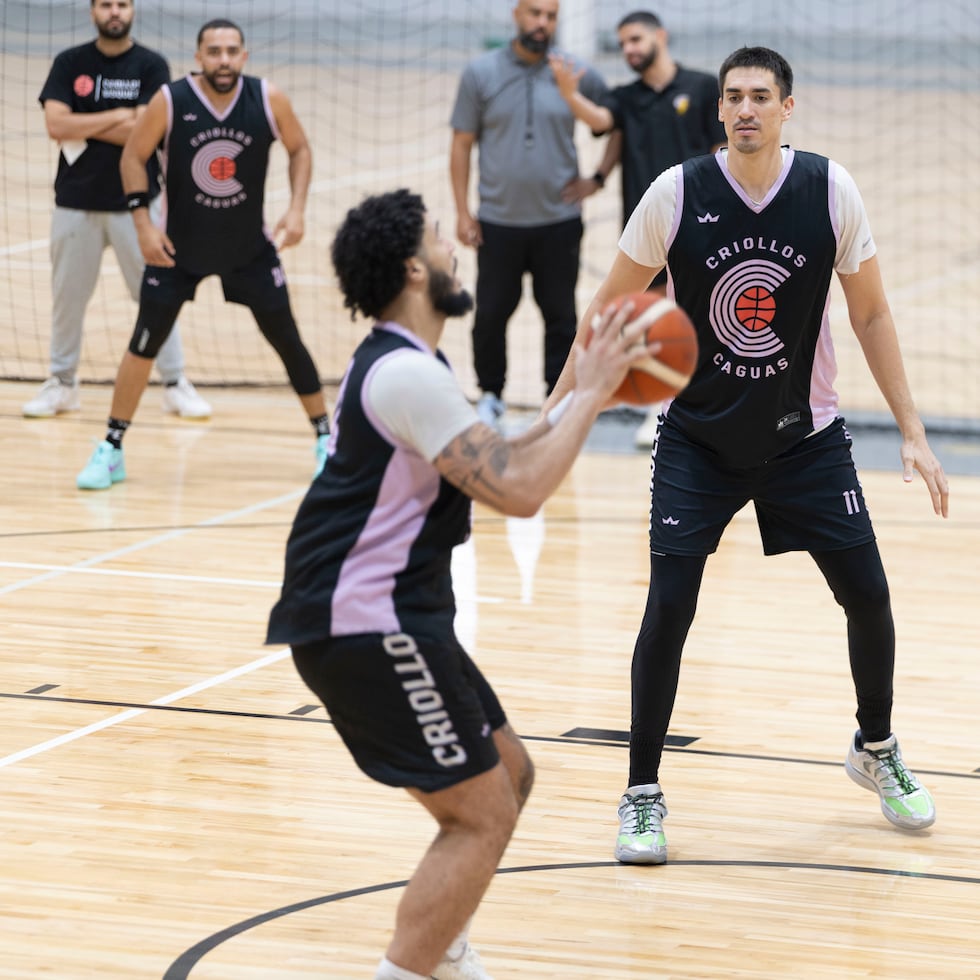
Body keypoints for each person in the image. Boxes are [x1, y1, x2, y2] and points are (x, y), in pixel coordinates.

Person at [543, 46, 950, 865]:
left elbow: (869, 316)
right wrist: (555, 415)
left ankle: (875, 747)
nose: (745, 110)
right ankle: (643, 794)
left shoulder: (829, 191)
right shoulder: (675, 193)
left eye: (761, 97)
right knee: (669, 612)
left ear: (788, 107)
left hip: (806, 438)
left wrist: (912, 429)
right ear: (719, 108)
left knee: (868, 597)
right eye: (733, 97)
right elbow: (609, 311)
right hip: (695, 441)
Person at [267, 189, 657, 979]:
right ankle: (411, 969)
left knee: (510, 773)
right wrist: (592, 394)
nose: (454, 250)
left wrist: (589, 389)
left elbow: (499, 448)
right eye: (441, 240)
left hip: (393, 617)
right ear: (415, 267)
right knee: (479, 817)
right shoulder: (407, 375)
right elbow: (519, 491)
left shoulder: (409, 367)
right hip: (362, 623)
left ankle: (441, 948)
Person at [75, 18, 330, 490]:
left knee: (288, 340)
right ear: (199, 57)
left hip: (249, 250)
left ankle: (325, 440)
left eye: (232, 51)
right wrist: (142, 224)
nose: (224, 60)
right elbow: (133, 155)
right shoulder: (171, 100)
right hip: (178, 250)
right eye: (214, 51)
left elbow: (300, 150)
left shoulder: (267, 99)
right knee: (143, 344)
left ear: (244, 56)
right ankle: (111, 447)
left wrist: (296, 210)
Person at [25, 0, 210, 421]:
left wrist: (87, 121)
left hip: (139, 205)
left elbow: (149, 129)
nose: (115, 12)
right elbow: (56, 125)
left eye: (122, 4)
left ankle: (175, 382)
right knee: (67, 298)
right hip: (75, 202)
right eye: (106, 4)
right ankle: (62, 383)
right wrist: (122, 117)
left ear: (132, 11)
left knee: (158, 294)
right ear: (92, 11)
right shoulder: (70, 63)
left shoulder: (151, 65)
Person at [550, 9, 725, 448]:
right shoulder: (626, 97)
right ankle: (658, 408)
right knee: (651, 318)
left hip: (701, 224)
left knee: (704, 317)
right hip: (646, 231)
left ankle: (708, 408)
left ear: (660, 37)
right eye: (623, 43)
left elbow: (721, 152)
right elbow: (603, 125)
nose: (629, 49)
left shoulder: (702, 88)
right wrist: (571, 97)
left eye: (636, 39)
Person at [449, 0, 608, 431]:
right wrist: (464, 211)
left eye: (551, 16)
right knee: (491, 315)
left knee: (560, 315)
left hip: (558, 222)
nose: (543, 23)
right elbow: (461, 144)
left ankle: (555, 403)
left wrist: (597, 178)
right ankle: (490, 396)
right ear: (517, 15)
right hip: (498, 223)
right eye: (535, 13)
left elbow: (615, 121)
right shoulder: (480, 74)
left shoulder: (575, 72)